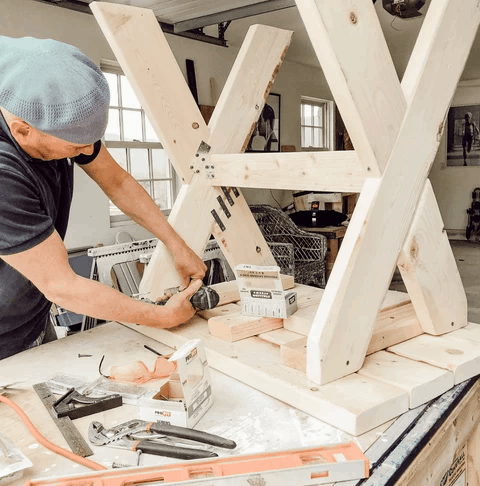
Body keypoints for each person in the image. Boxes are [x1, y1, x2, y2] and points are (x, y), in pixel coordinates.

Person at [0, 36, 207, 360]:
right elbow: (61, 285)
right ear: (22, 130)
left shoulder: (46, 112)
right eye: (74, 148)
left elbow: (117, 181)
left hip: (30, 317)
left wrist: (175, 243)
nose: (86, 154)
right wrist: (163, 317)